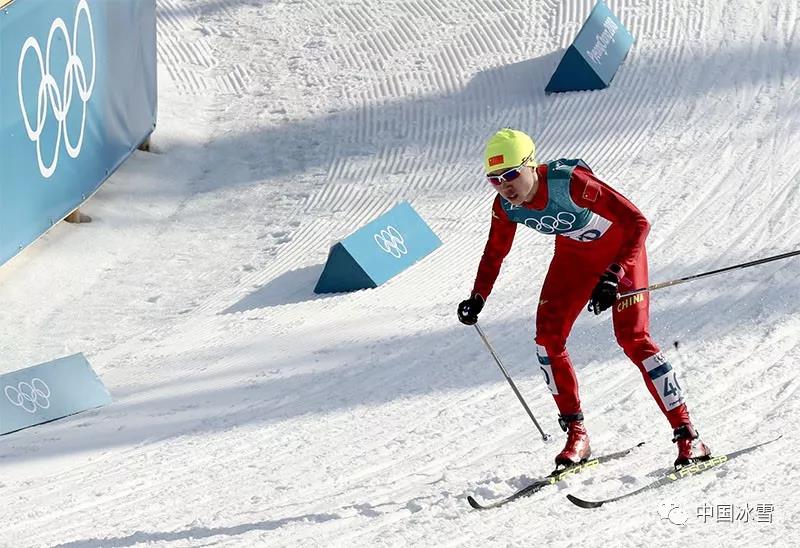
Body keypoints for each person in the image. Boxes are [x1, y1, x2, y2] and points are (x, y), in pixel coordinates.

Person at [457, 128, 711, 469]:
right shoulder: (506, 206)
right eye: (494, 180)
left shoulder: (570, 183)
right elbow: (494, 252)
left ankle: (688, 435)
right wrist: (478, 296)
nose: (505, 186)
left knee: (633, 338)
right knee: (547, 340)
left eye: (511, 174)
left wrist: (615, 273)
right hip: (574, 260)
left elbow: (637, 222)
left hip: (620, 257)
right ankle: (576, 434)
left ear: (531, 165)